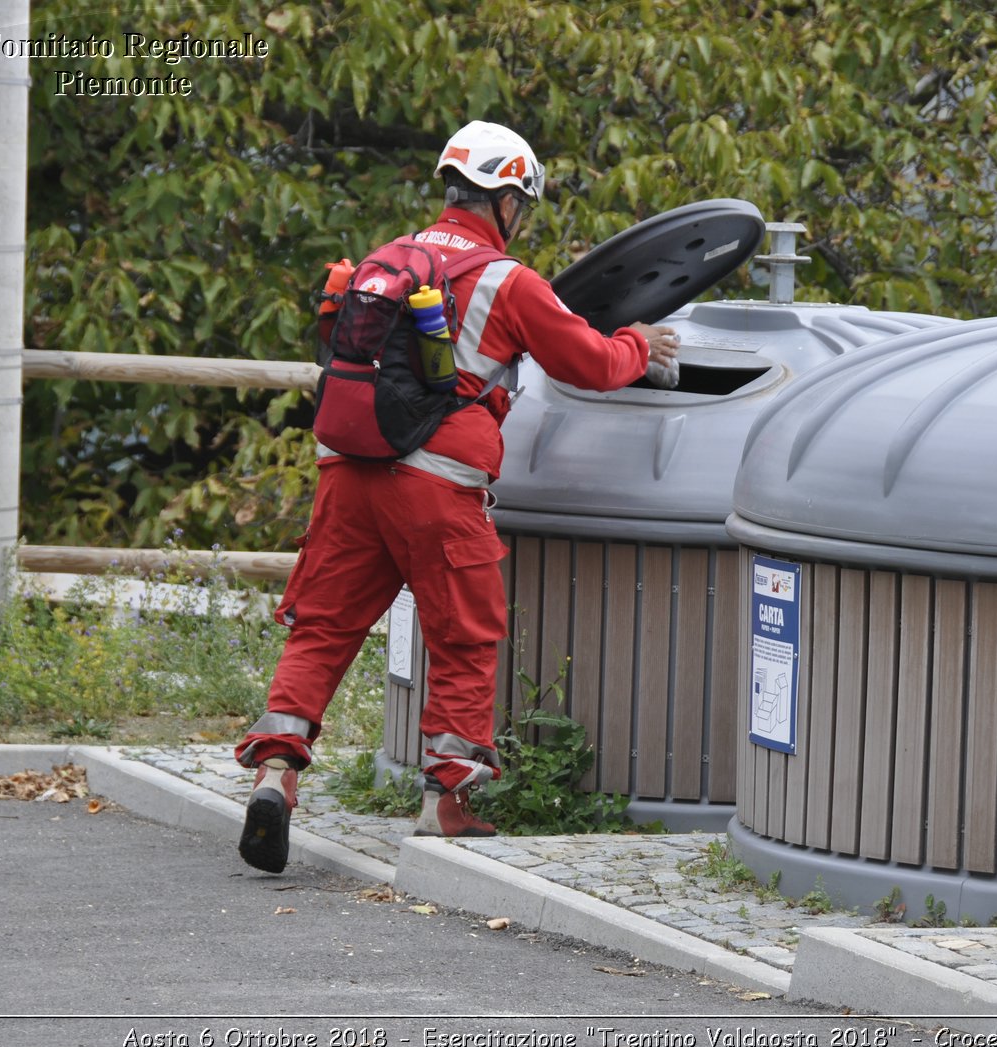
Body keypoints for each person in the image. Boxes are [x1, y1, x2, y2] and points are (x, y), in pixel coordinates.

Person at [235, 120, 681, 873]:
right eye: (523, 205)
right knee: (464, 636)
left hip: (347, 472)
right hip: (436, 484)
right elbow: (590, 365)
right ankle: (448, 800)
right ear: (506, 199)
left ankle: (275, 774)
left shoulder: (386, 259)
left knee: (321, 628)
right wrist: (643, 343)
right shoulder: (509, 280)